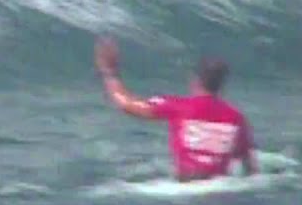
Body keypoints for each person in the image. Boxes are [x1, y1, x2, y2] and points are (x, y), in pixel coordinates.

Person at [93, 36, 258, 181]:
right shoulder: (237, 119)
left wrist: (110, 72)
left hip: (185, 187)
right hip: (221, 189)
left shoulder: (178, 107)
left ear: (195, 80)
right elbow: (250, 168)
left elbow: (126, 104)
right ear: (222, 85)